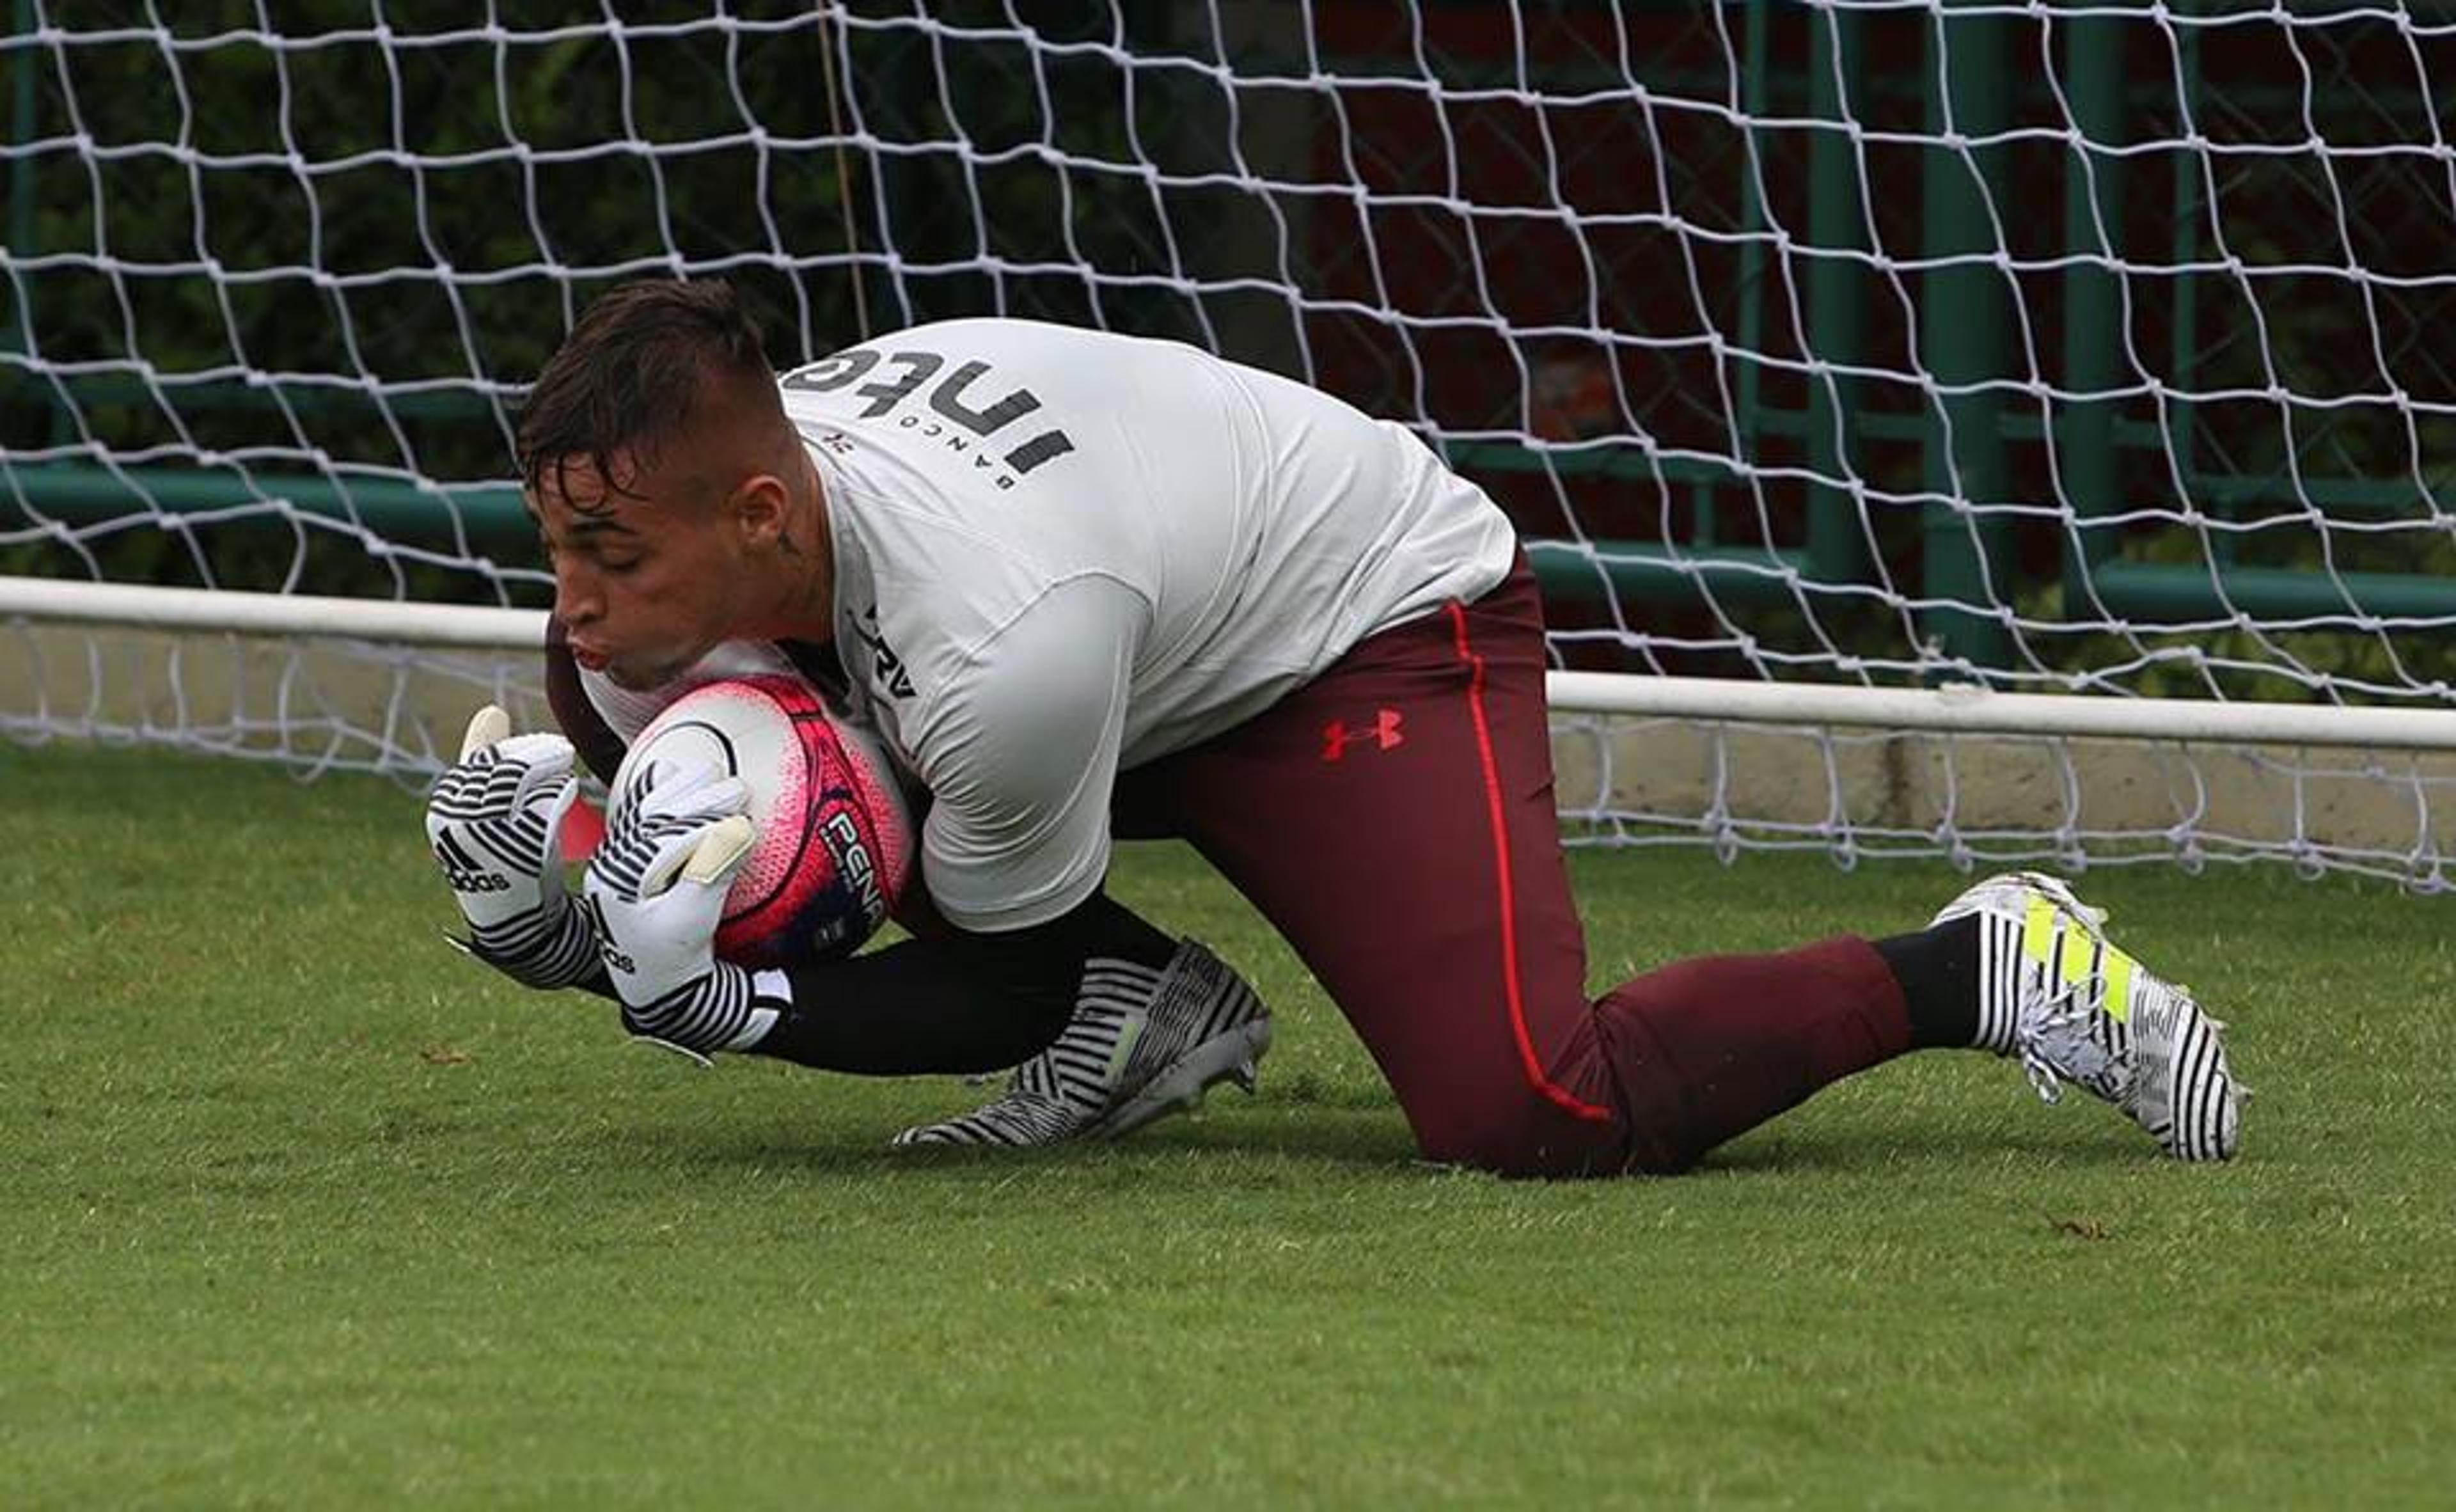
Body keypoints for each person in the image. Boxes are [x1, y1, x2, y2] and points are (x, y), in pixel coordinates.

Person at [423, 279, 2241, 1175]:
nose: (571, 595)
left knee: (1530, 1102)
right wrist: (565, 895)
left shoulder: (999, 637)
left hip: (1357, 628)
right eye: (556, 540)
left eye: (609, 546)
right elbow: (777, 809)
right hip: (1122, 620)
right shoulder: (716, 561)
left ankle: (1984, 961)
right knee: (738, 735)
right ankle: (1165, 1011)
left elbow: (1000, 978)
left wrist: (705, 1000)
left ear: (760, 519)